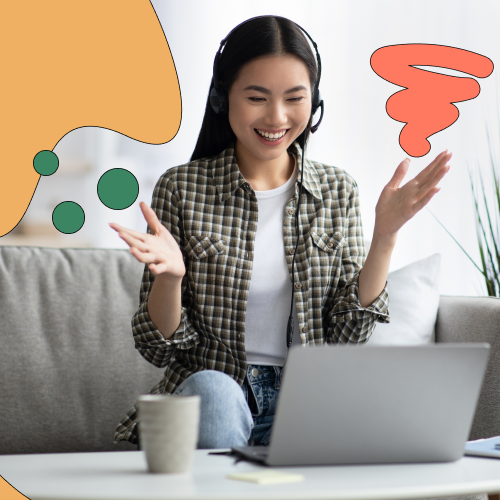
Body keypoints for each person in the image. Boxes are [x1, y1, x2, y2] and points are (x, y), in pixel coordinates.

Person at [110, 15, 451, 449]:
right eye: (257, 97)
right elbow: (159, 349)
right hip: (216, 399)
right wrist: (171, 278)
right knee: (215, 392)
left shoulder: (336, 190)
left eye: (294, 98)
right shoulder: (181, 188)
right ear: (222, 97)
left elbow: (349, 334)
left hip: (306, 403)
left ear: (315, 103)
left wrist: (384, 237)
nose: (277, 116)